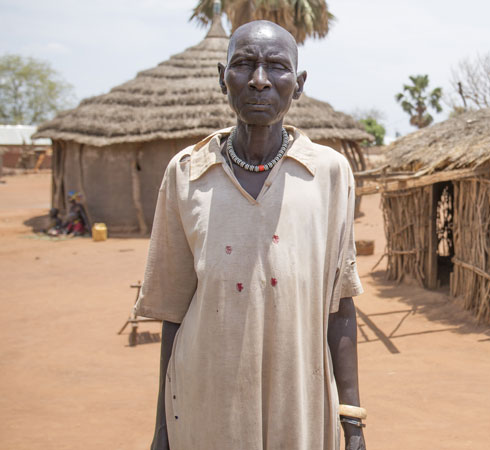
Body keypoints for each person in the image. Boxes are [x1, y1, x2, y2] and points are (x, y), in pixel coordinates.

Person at [134, 20, 366, 450]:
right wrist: (164, 427)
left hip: (299, 404)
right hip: (208, 403)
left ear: (298, 85)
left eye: (276, 66)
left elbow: (340, 305)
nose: (259, 80)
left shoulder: (329, 173)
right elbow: (174, 311)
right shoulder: (187, 173)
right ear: (222, 79)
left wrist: (352, 422)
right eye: (244, 64)